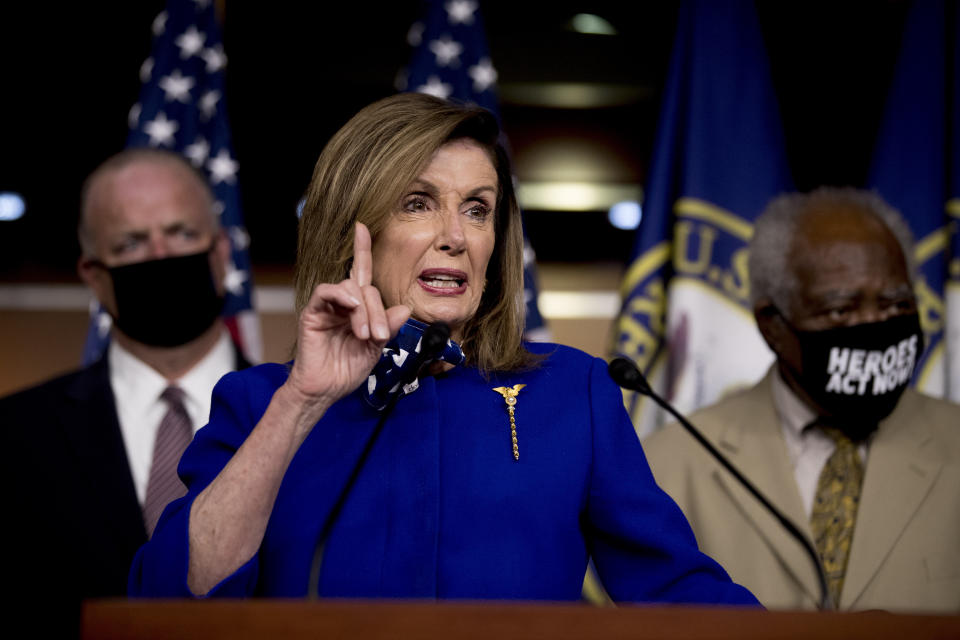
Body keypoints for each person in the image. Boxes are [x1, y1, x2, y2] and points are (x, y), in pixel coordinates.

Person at [128, 93, 757, 605]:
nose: (456, 236)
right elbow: (173, 599)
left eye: (478, 210)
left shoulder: (573, 393)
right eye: (418, 203)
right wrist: (302, 403)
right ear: (353, 229)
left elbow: (677, 594)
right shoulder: (260, 402)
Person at [643, 187, 960, 613]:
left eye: (895, 304)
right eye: (840, 310)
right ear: (772, 325)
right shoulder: (669, 466)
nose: (872, 324)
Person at [0, 148, 249, 625]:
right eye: (131, 244)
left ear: (221, 253)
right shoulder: (14, 435)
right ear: (93, 275)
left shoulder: (307, 417)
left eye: (181, 233)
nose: (161, 256)